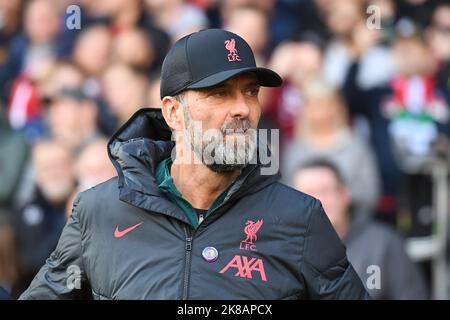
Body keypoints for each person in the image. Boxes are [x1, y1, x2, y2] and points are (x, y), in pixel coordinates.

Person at [20, 29, 368, 300]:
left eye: (250, 92)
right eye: (220, 93)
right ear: (173, 113)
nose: (243, 109)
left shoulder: (300, 219)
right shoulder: (98, 211)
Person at [293, 158, 428, 299]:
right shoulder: (280, 251)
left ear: (344, 195)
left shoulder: (384, 244)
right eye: (306, 195)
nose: (317, 202)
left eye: (325, 191)